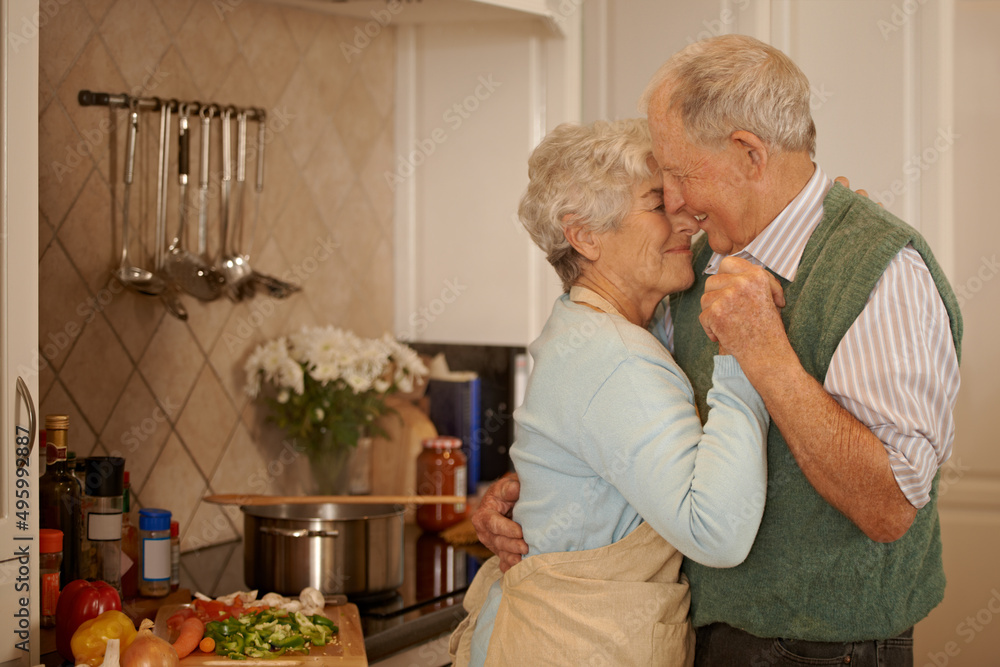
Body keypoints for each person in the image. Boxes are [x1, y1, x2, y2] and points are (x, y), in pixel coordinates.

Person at [474, 34, 962, 667]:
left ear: (748, 154)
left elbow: (892, 509)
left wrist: (764, 355)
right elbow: (639, 429)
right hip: (696, 635)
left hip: (824, 650)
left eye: (678, 173)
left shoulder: (884, 269)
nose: (676, 201)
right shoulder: (691, 267)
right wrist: (547, 491)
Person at [449, 118, 772, 666]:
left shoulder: (589, 325)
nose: (686, 219)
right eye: (656, 204)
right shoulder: (615, 357)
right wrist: (748, 354)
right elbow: (716, 534)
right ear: (585, 236)